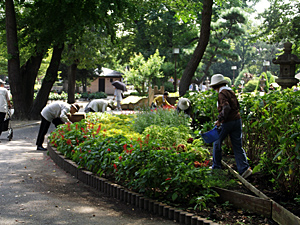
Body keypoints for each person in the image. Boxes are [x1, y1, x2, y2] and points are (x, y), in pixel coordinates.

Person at [209, 74, 252, 179]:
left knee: (217, 143)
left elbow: (226, 108)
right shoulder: (231, 91)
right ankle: (244, 169)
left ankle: (216, 168)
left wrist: (220, 120)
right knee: (237, 145)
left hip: (227, 122)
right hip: (237, 120)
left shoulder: (222, 94)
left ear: (215, 86)